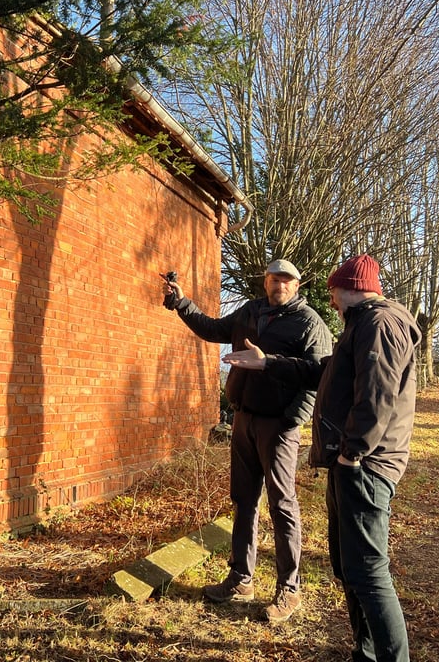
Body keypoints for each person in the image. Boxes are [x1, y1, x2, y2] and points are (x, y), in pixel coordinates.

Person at [224, 254, 420, 662]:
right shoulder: (361, 326)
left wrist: (353, 454)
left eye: (332, 292)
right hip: (350, 463)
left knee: (368, 570)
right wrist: (268, 363)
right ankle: (364, 652)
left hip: (366, 466)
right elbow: (324, 371)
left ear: (349, 287)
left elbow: (377, 397)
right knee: (349, 568)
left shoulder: (380, 325)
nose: (330, 300)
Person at [163, 259, 332, 622]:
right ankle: (241, 578)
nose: (280, 285)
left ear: (297, 285)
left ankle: (289, 588)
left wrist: (292, 419)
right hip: (244, 419)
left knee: (282, 505)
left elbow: (319, 377)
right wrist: (182, 304)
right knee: (244, 500)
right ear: (266, 281)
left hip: (279, 426)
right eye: (274, 279)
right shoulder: (250, 312)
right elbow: (211, 329)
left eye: (287, 280)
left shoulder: (308, 323)